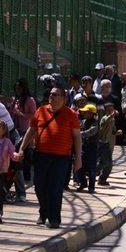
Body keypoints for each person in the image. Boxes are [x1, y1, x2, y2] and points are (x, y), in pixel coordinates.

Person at [17, 87, 81, 229]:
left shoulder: (71, 114)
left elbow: (77, 137)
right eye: (50, 94)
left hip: (62, 157)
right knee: (39, 187)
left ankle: (54, 219)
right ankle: (44, 211)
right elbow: (31, 130)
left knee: (55, 188)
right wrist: (22, 148)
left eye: (55, 94)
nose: (51, 97)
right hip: (41, 155)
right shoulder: (41, 111)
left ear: (64, 99)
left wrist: (78, 159)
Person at [9, 78, 37, 184]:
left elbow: (33, 116)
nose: (17, 90)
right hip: (15, 129)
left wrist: (20, 114)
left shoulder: (30, 100)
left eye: (19, 88)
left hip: (26, 130)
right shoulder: (16, 99)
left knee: (25, 153)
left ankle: (26, 176)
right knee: (16, 153)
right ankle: (16, 176)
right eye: (16, 88)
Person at [77, 104, 99, 193]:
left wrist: (78, 133)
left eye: (86, 112)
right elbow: (78, 127)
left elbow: (90, 132)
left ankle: (91, 187)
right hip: (83, 146)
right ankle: (83, 183)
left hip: (92, 148)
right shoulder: (83, 121)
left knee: (91, 169)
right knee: (79, 166)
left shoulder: (95, 123)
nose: (84, 113)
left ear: (91, 113)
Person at [97, 103, 117, 186]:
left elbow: (113, 130)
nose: (111, 111)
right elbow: (105, 122)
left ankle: (102, 179)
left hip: (107, 143)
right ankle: (89, 171)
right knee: (104, 163)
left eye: (112, 109)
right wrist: (112, 115)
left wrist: (116, 132)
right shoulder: (104, 118)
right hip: (101, 143)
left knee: (108, 164)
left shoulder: (112, 119)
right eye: (108, 110)